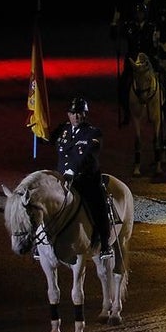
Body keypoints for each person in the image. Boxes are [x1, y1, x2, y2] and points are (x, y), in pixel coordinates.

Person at [48, 97, 112, 257]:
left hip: (85, 180)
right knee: (44, 206)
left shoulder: (93, 133)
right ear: (68, 114)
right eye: (72, 113)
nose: (76, 117)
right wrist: (36, 127)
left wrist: (73, 171)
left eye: (79, 113)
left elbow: (88, 156)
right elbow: (47, 139)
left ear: (85, 114)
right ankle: (41, 241)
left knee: (98, 205)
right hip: (62, 180)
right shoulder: (62, 130)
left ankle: (105, 243)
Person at [112, 1, 158, 127]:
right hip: (132, 62)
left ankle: (158, 112)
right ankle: (127, 112)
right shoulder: (129, 26)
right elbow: (115, 35)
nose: (139, 15)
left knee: (161, 82)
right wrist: (114, 23)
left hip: (147, 61)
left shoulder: (151, 27)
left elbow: (154, 45)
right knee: (122, 86)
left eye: (142, 13)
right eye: (138, 13)